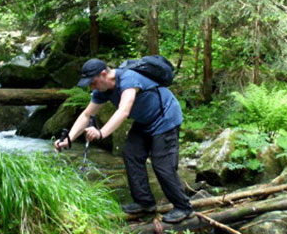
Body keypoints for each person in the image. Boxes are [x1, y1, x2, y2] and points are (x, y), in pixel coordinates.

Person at [54, 58, 194, 224]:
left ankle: (183, 207)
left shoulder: (129, 78)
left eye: (92, 83)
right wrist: (69, 139)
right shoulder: (102, 90)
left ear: (104, 74)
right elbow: (86, 115)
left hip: (165, 118)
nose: (92, 88)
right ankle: (145, 203)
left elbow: (124, 111)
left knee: (162, 165)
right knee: (131, 154)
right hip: (144, 121)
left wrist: (101, 133)